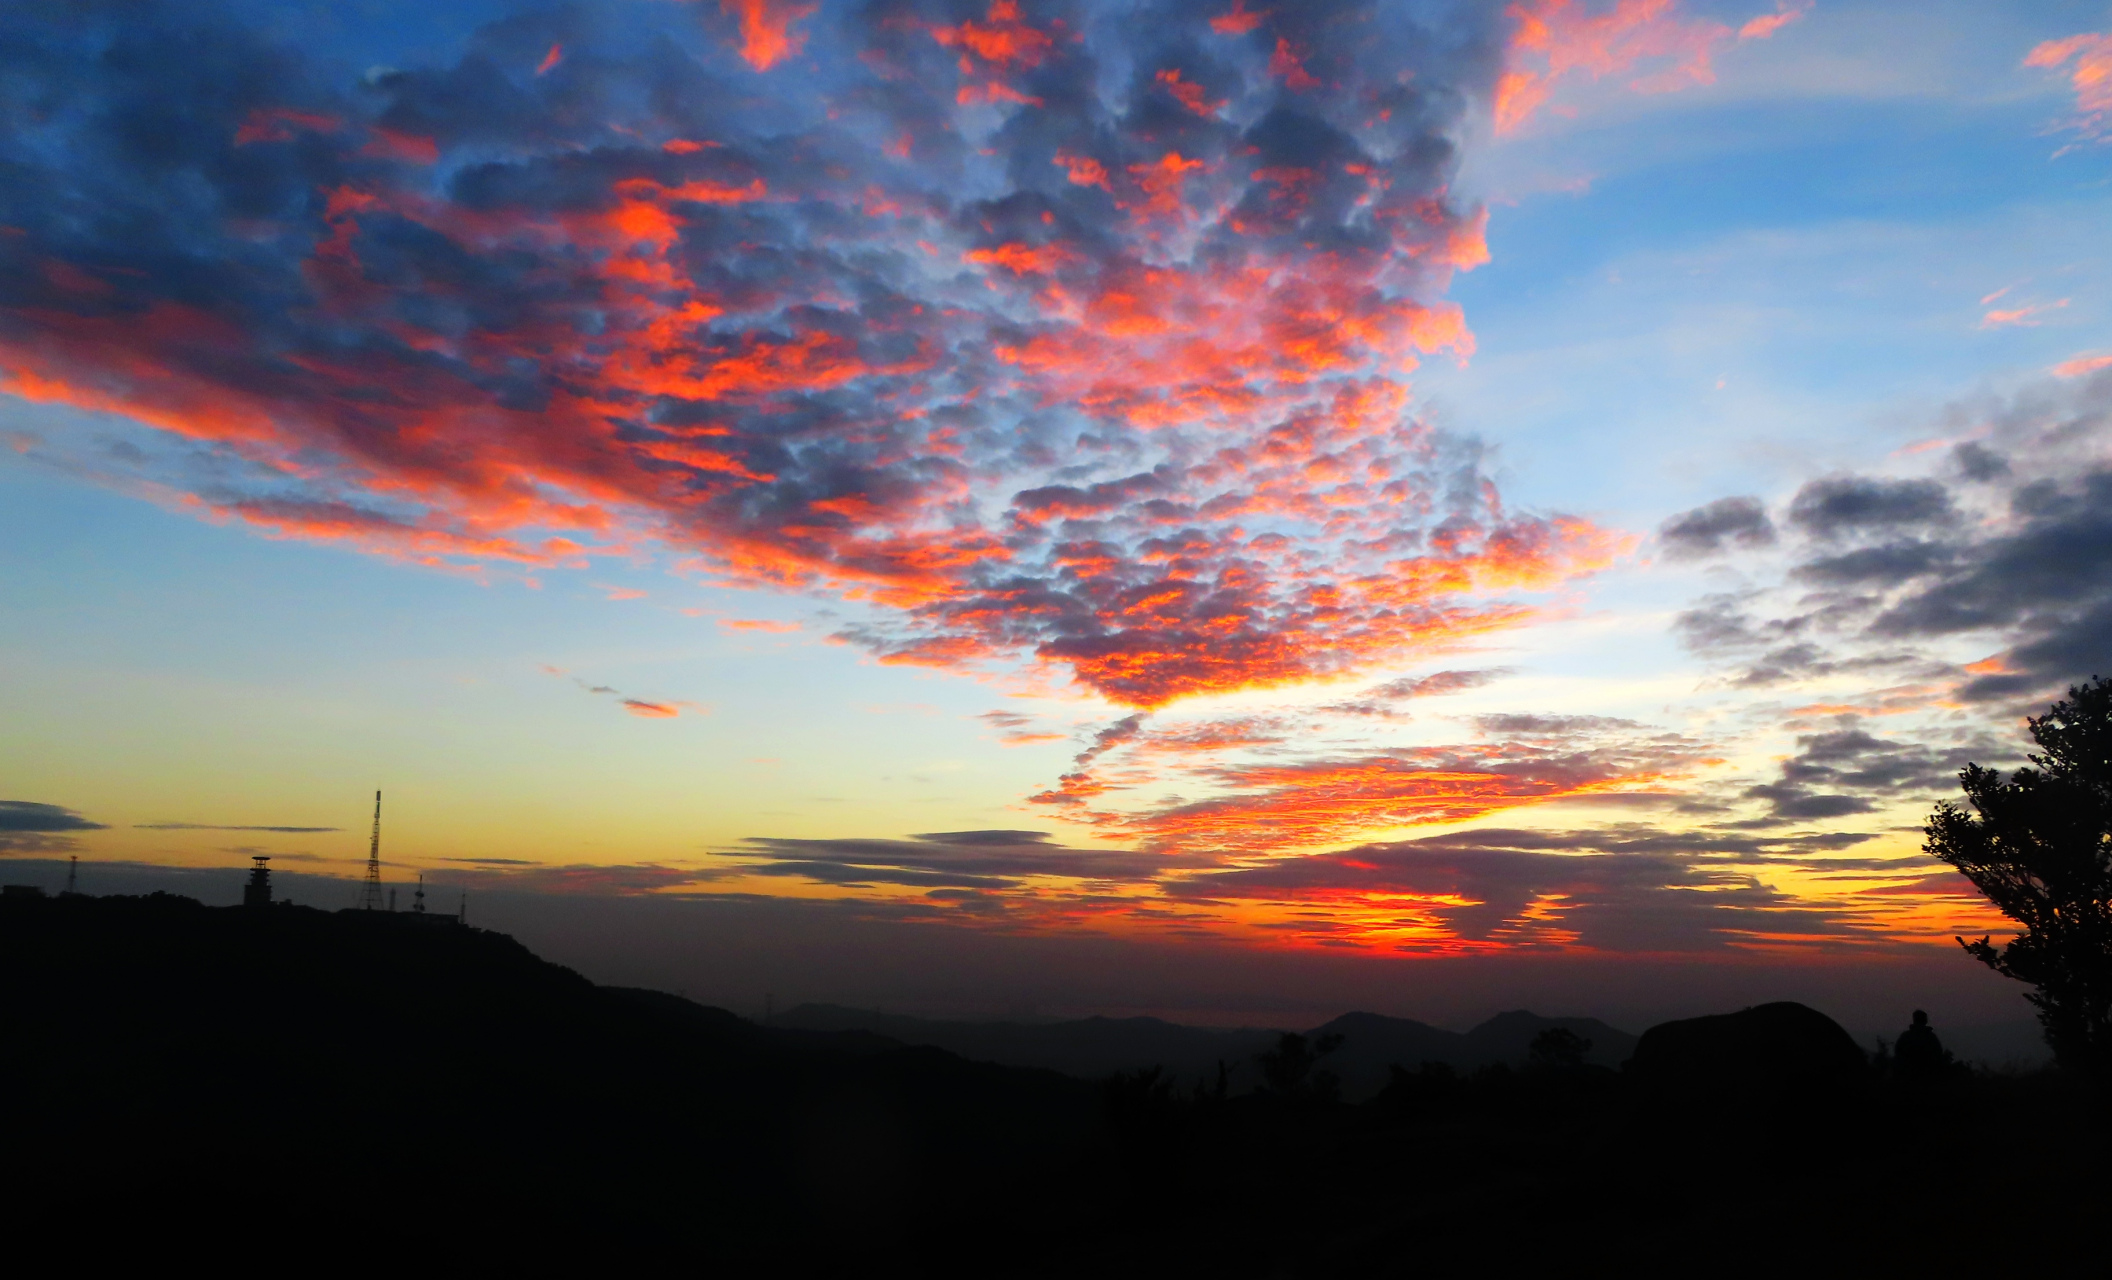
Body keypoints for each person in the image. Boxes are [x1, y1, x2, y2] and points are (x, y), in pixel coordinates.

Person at [1894, 1009, 1947, 1081]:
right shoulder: (1931, 1037)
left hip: (1908, 1076)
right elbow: (1938, 1055)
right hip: (1927, 1076)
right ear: (1925, 1020)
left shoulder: (1906, 1036)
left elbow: (1898, 1053)